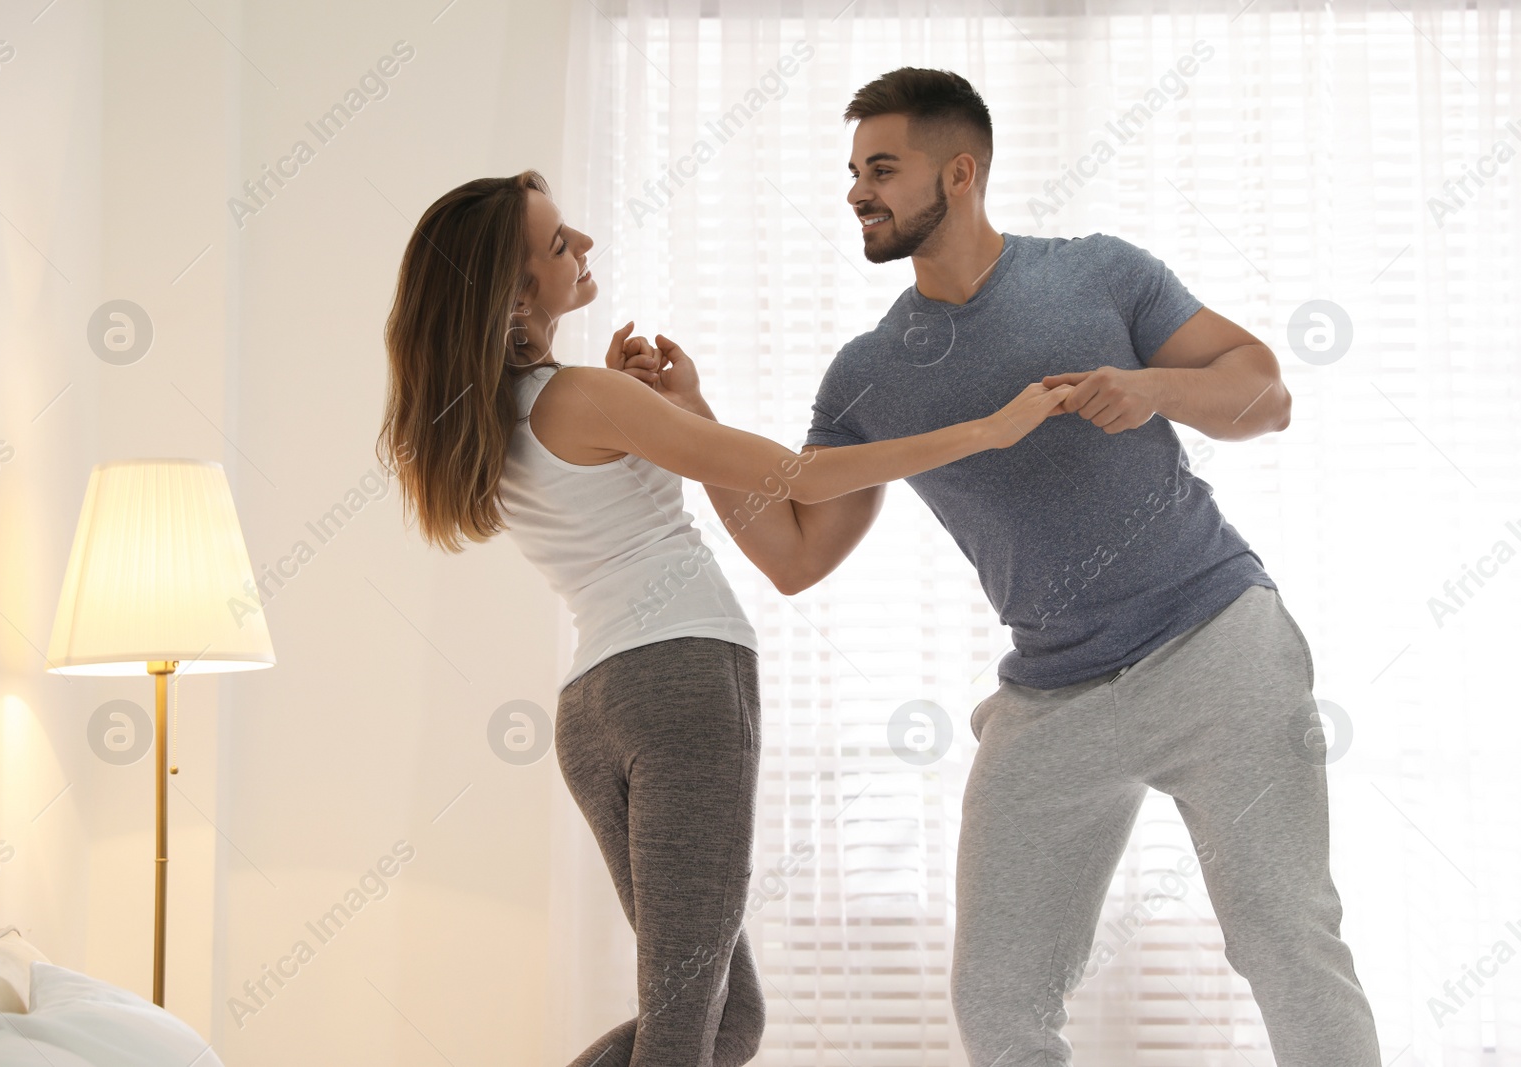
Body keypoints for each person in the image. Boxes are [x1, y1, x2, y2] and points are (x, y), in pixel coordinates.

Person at [619, 68, 1381, 1066]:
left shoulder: (1099, 273)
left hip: (1216, 642)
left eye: (882, 168)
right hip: (1054, 694)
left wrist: (1151, 386)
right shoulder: (866, 374)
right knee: (996, 1000)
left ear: (960, 172)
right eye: (852, 170)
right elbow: (794, 554)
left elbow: (1263, 395)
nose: (857, 190)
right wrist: (693, 421)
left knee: (1286, 938)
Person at [375, 169, 1075, 1067]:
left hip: (593, 710)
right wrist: (987, 427)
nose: (583, 245)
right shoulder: (582, 396)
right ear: (515, 298)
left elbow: (618, 479)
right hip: (679, 687)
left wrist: (671, 411)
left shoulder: (489, 422)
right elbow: (801, 477)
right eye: (558, 245)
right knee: (682, 1029)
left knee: (722, 1019)